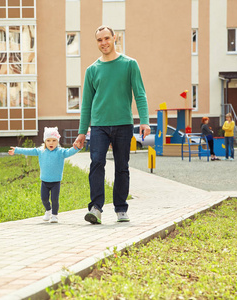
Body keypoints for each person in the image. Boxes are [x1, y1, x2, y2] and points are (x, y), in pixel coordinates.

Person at [73, 25, 151, 225]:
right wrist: (82, 132)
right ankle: (96, 208)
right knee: (96, 163)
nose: (103, 43)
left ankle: (121, 209)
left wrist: (144, 121)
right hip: (99, 126)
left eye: (106, 38)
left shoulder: (129, 64)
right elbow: (86, 104)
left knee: (122, 167)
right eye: (99, 40)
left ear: (115, 38)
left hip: (124, 124)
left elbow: (139, 94)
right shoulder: (92, 70)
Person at [8, 127, 80, 223]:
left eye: (54, 140)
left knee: (54, 199)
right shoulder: (40, 151)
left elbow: (70, 151)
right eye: (48, 140)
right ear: (45, 141)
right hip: (45, 181)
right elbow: (29, 151)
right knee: (44, 198)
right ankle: (48, 210)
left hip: (55, 182)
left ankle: (54, 215)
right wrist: (16, 150)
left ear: (57, 141)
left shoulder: (61, 152)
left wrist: (78, 147)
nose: (51, 143)